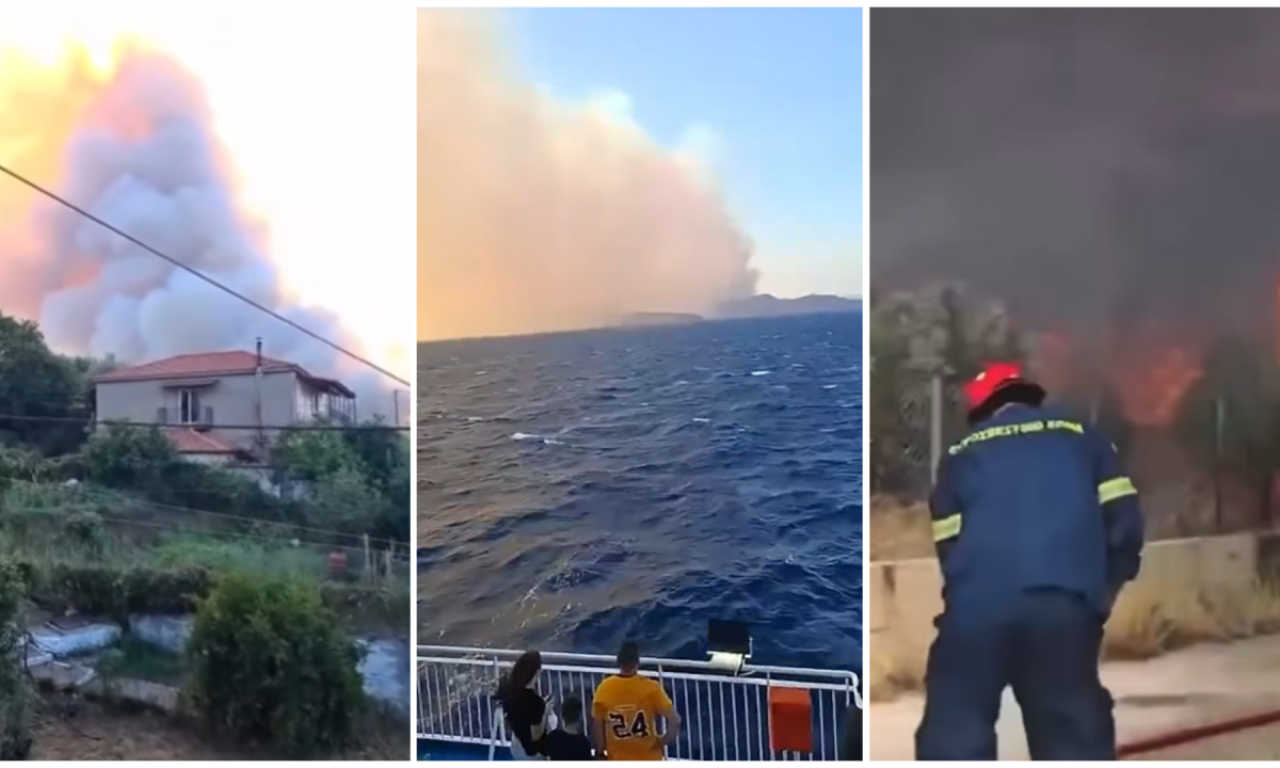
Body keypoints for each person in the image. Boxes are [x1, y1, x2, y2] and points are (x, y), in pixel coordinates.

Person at [915, 362, 1145, 761]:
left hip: (978, 611)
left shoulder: (960, 453)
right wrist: (1102, 592)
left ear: (982, 409)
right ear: (1030, 397)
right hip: (1065, 605)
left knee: (956, 725)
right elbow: (1124, 525)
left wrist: (968, 598)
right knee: (1071, 731)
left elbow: (948, 545)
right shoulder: (1085, 438)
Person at [591, 641, 682, 761]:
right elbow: (675, 720)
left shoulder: (604, 688)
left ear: (619, 662)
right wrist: (661, 742)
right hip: (648, 757)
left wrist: (600, 751)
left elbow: (597, 724)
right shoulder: (650, 687)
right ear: (637, 662)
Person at [501, 650, 554, 760]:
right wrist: (545, 711)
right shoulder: (535, 702)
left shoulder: (510, 692)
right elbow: (535, 735)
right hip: (532, 754)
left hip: (516, 747)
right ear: (537, 672)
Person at [542, 692, 594, 760]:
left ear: (561, 715)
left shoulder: (555, 738)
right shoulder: (583, 742)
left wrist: (545, 713)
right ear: (580, 717)